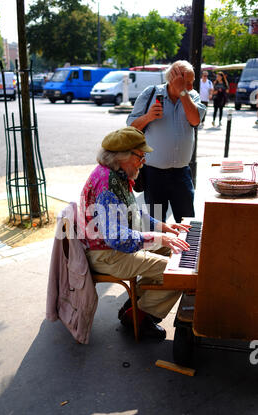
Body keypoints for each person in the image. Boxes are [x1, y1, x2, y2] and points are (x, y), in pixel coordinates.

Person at [79, 126, 190, 340]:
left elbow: (134, 213)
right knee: (180, 275)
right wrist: (157, 238)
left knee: (172, 249)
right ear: (122, 157)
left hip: (111, 249)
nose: (144, 161)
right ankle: (139, 316)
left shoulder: (116, 174)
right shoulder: (108, 185)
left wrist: (164, 228)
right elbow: (117, 238)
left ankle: (134, 305)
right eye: (141, 156)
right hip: (107, 255)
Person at [126, 60, 206, 224]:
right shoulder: (150, 93)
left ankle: (185, 250)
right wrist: (148, 117)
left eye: (192, 83)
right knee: (155, 223)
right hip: (154, 173)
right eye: (187, 83)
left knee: (187, 221)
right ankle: (157, 251)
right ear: (173, 79)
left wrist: (183, 91)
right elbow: (131, 126)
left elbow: (195, 120)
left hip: (181, 173)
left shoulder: (192, 96)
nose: (191, 87)